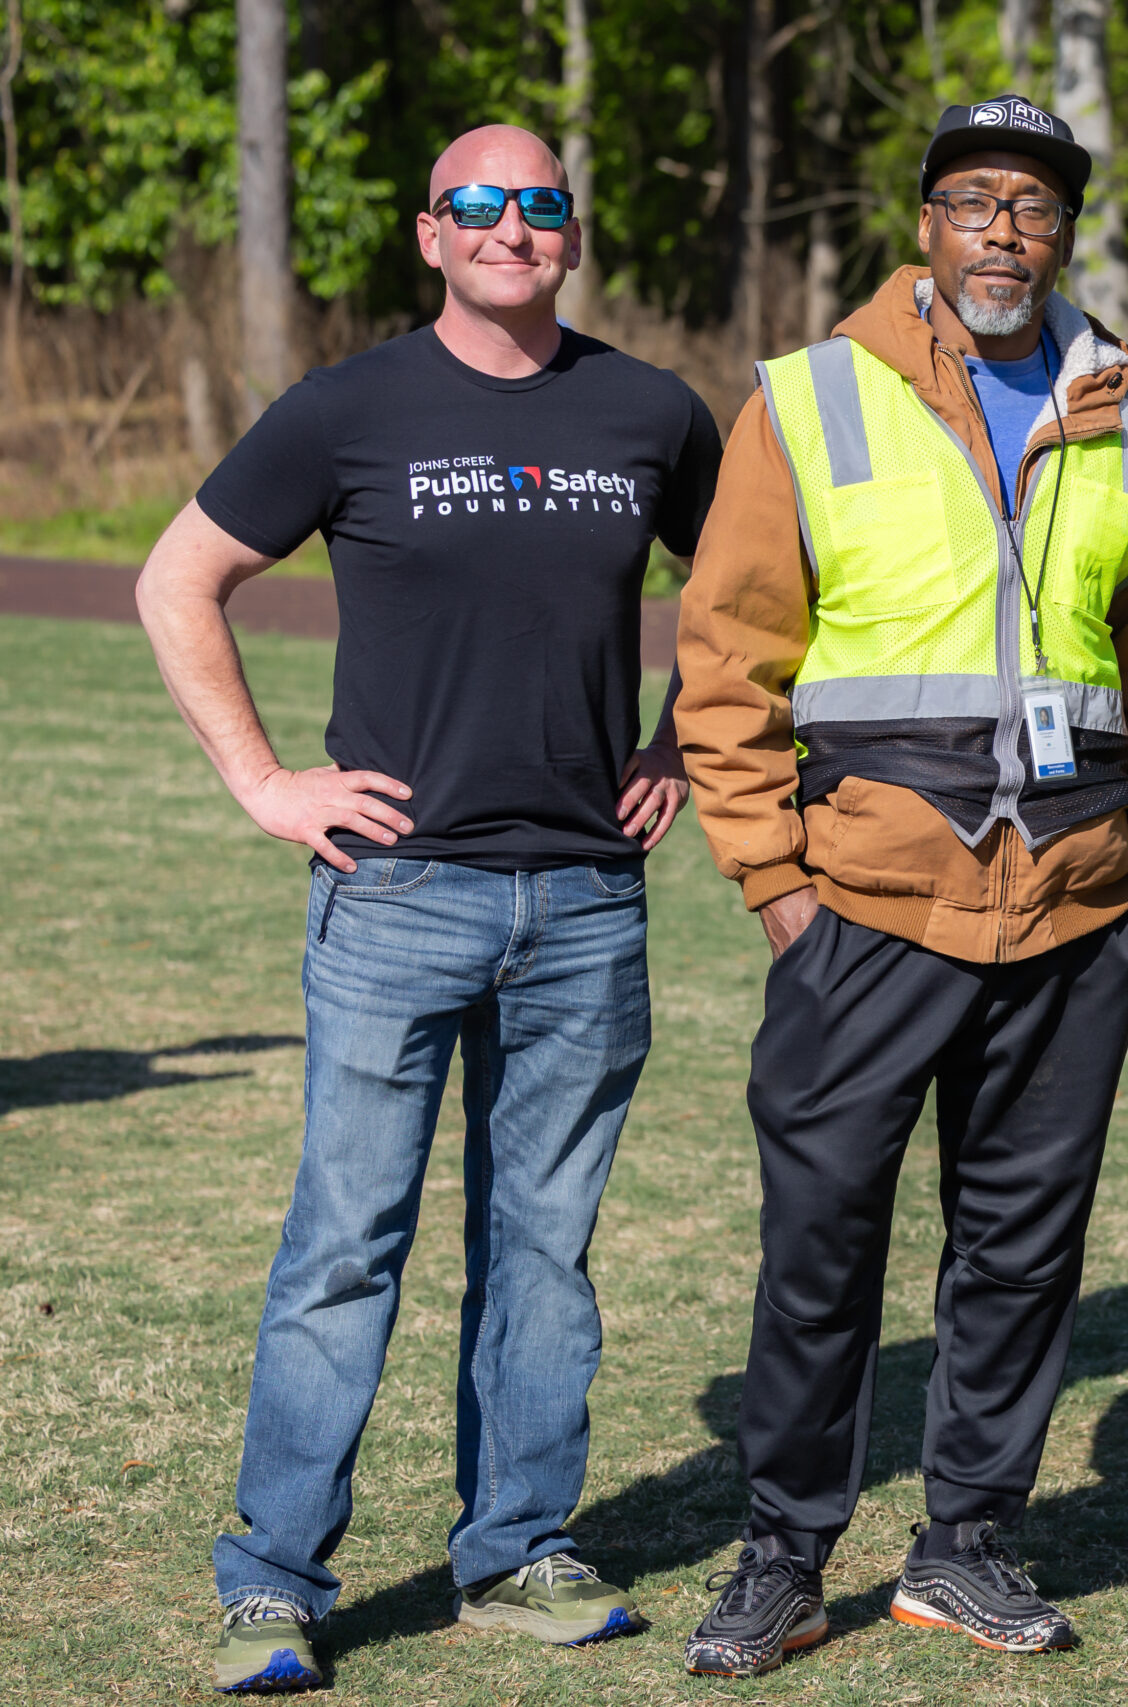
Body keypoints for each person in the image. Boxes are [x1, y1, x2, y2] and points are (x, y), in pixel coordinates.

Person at [134, 123, 723, 1694]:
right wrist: (269, 783)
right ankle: (273, 1585)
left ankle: (517, 1553)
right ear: (431, 233)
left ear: (571, 233)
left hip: (587, 902)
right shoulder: (350, 408)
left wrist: (683, 740)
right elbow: (175, 579)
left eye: (539, 204)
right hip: (395, 893)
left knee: (545, 1253)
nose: (510, 227)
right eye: (480, 204)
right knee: (345, 1245)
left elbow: (753, 596)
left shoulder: (652, 411)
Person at [669, 93, 1128, 1677]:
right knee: (820, 1242)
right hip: (862, 903)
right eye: (975, 200)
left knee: (1024, 1245)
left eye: (1035, 208)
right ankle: (784, 1558)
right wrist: (776, 882)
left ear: (1063, 236)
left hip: (1077, 903)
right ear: (925, 223)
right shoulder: (810, 399)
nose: (1004, 233)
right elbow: (729, 655)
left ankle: (965, 1548)